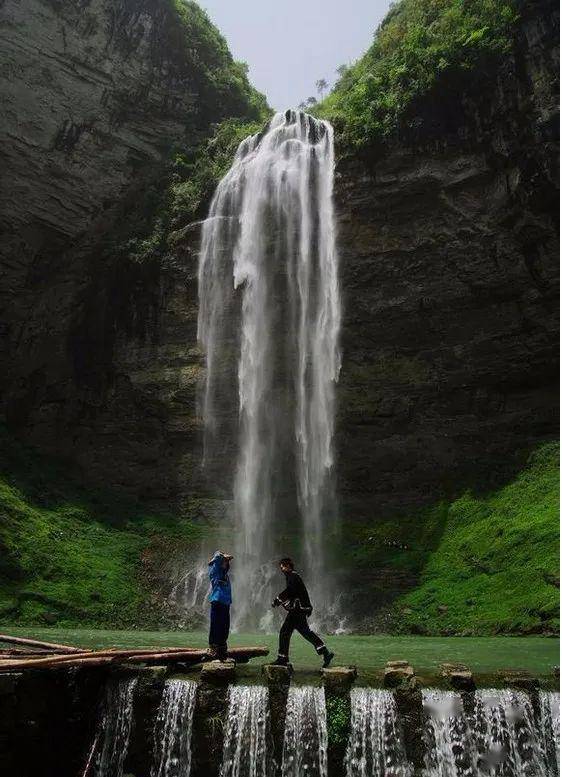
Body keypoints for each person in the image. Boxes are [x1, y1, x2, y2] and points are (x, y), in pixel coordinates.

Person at [271, 557, 334, 668]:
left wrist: (278, 599)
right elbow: (294, 592)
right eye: (281, 566)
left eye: (283, 566)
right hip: (299, 610)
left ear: (289, 566)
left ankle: (282, 658)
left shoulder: (293, 576)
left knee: (285, 632)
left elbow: (291, 591)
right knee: (306, 632)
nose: (281, 568)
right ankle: (325, 653)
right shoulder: (293, 576)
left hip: (297, 609)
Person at [207, 550, 233, 660]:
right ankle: (213, 648)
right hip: (217, 601)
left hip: (226, 603)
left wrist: (226, 560)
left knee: (225, 626)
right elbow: (217, 555)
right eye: (224, 562)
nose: (226, 563)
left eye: (226, 562)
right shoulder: (215, 571)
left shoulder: (225, 575)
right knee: (216, 625)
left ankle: (222, 649)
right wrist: (222, 556)